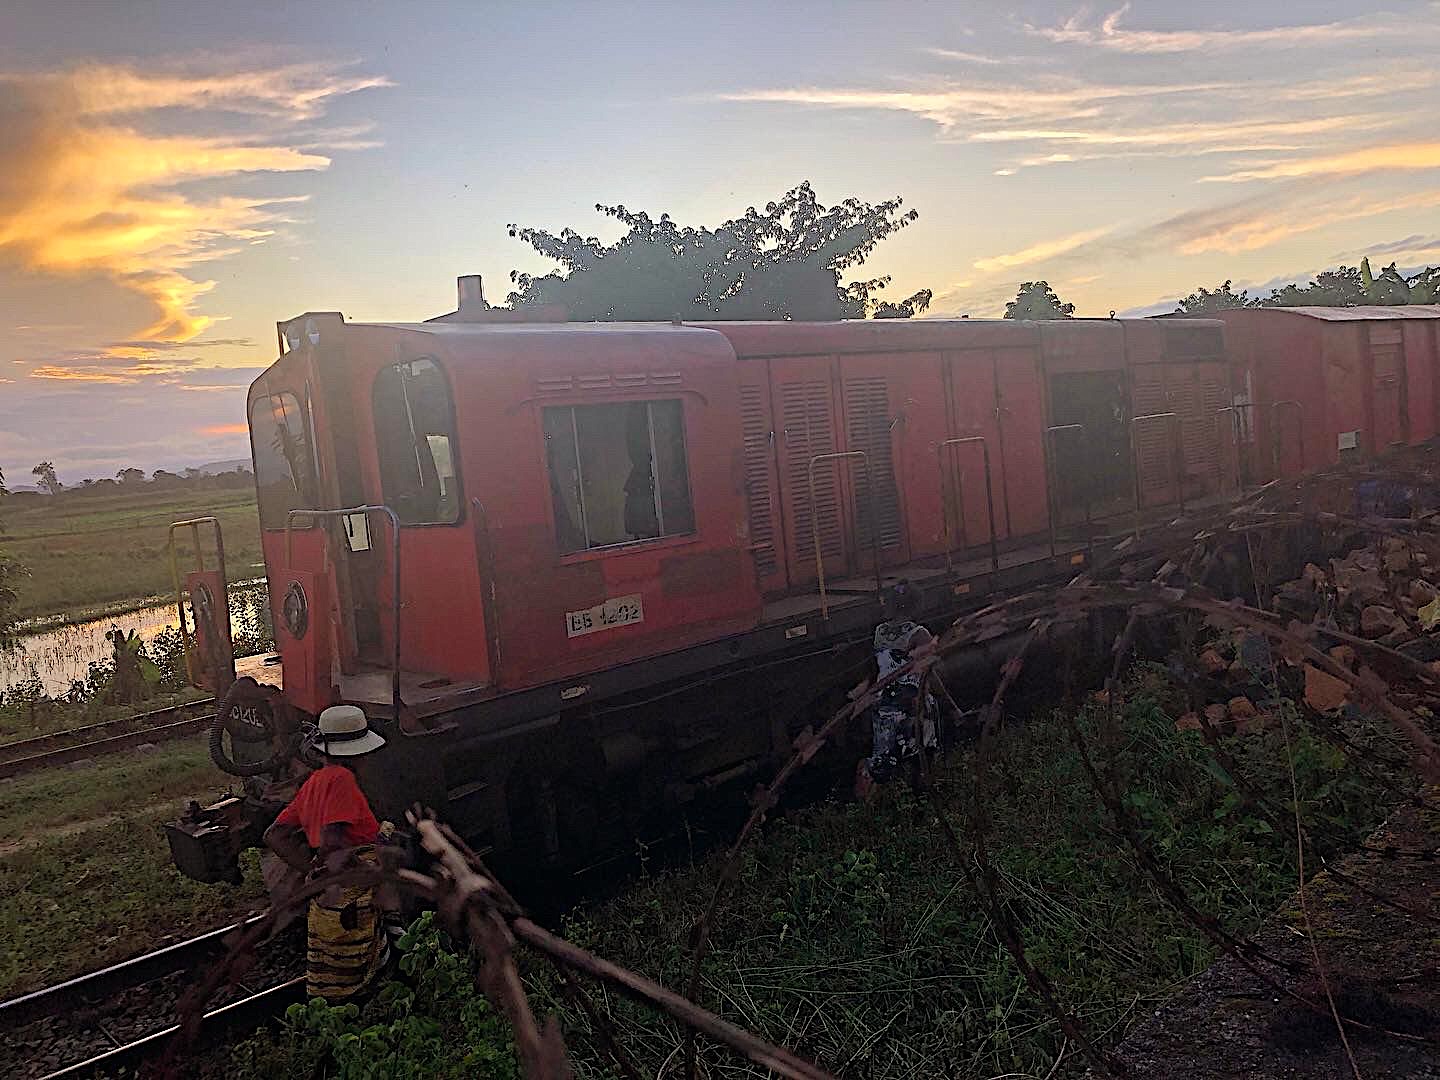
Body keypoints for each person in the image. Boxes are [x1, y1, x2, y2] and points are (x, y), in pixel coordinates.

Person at [264, 705, 390, 1001]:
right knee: (363, 984)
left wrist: (311, 870)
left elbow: (274, 835)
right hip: (352, 904)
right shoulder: (342, 780)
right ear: (357, 754)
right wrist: (361, 870)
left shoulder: (313, 783)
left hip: (326, 903)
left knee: (333, 984)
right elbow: (333, 841)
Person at [857, 580, 937, 791]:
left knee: (885, 759)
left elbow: (879, 667)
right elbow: (928, 674)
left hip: (885, 704)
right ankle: (920, 799)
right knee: (921, 757)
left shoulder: (879, 632)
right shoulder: (920, 634)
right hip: (913, 704)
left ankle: (871, 780)